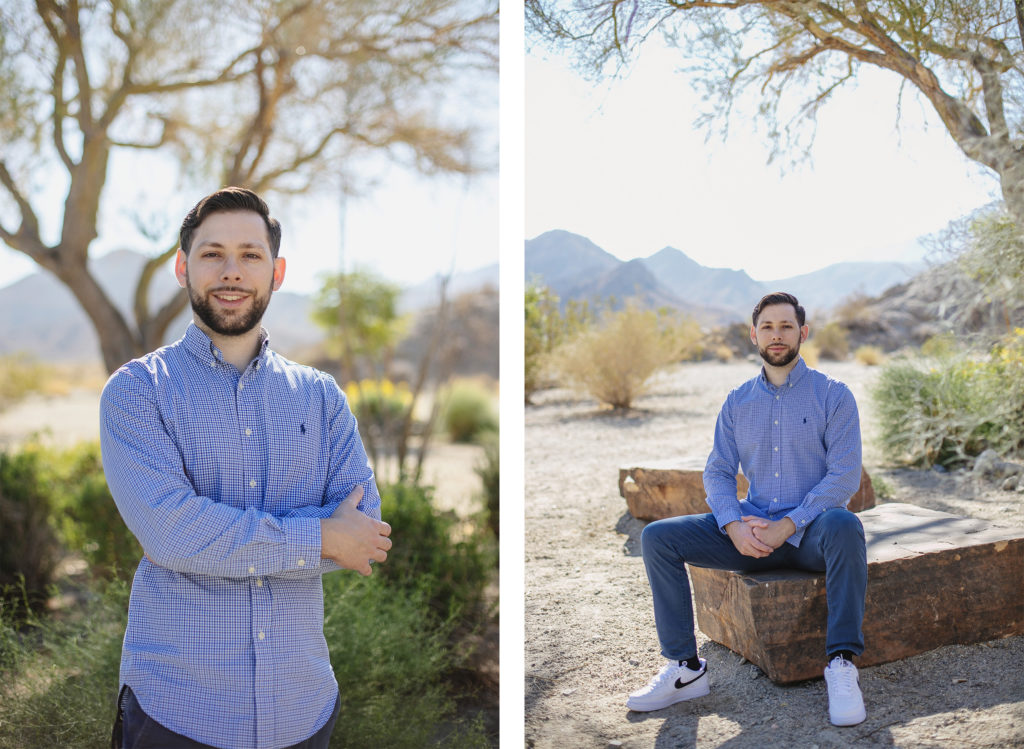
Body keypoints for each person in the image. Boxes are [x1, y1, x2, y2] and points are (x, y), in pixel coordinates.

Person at [100, 187, 393, 749]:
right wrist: (320, 536)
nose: (231, 272)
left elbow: (366, 528)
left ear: (276, 271)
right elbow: (172, 532)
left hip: (302, 710)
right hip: (177, 714)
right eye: (212, 254)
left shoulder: (321, 397)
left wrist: (227, 540)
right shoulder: (137, 393)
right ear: (184, 267)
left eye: (250, 255)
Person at [626, 291, 868, 727]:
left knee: (845, 524)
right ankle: (685, 669)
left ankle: (841, 663)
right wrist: (734, 525)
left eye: (786, 327)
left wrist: (788, 525)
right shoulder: (738, 401)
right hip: (751, 533)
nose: (777, 336)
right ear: (754, 335)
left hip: (811, 535)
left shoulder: (833, 395)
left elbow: (845, 477)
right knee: (657, 537)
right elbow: (718, 471)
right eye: (768, 327)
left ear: (803, 333)